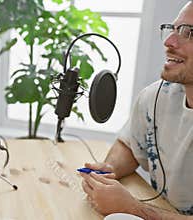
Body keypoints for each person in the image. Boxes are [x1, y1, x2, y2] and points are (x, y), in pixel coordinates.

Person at [79, 1, 193, 219]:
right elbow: (131, 144)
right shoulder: (156, 96)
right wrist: (109, 168)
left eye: (189, 33)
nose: (169, 42)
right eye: (173, 29)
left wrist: (134, 209)